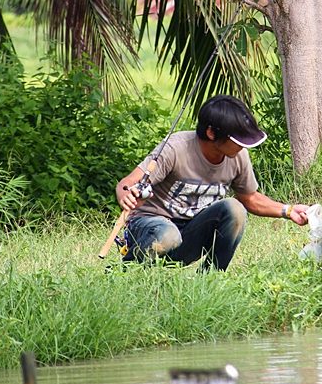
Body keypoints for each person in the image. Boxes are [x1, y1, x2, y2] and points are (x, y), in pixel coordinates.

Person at [115, 95, 310, 271]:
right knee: (168, 234)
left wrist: (289, 210)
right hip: (152, 228)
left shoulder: (238, 155)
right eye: (237, 139)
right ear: (211, 133)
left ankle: (210, 280)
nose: (243, 145)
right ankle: (125, 274)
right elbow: (128, 183)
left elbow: (250, 198)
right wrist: (127, 194)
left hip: (190, 233)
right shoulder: (175, 148)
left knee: (235, 209)